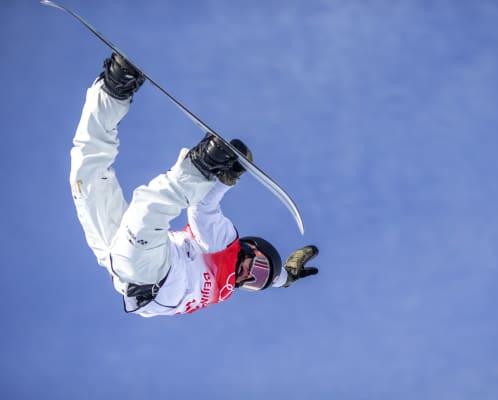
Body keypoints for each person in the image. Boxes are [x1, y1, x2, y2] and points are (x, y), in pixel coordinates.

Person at [70, 53, 319, 317]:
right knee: (97, 181)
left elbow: (276, 277)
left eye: (254, 283)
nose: (247, 277)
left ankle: (198, 163)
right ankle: (114, 92)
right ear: (252, 247)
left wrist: (284, 277)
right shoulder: (225, 247)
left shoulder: (226, 283)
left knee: (105, 192)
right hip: (149, 265)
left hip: (135, 274)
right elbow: (203, 209)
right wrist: (225, 179)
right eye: (257, 269)